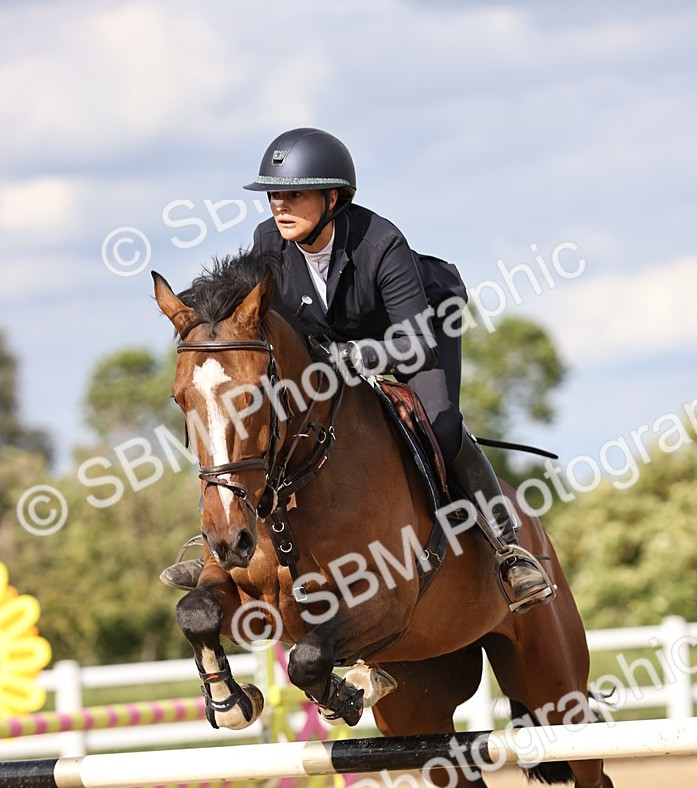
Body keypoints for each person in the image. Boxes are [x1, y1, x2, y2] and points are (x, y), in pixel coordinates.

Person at [162, 127, 555, 612]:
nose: (279, 206)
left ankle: (508, 548)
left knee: (443, 425)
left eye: (293, 194)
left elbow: (417, 343)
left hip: (416, 330)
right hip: (332, 340)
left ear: (333, 197)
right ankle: (217, 552)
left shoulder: (381, 242)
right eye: (273, 195)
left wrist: (361, 357)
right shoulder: (269, 240)